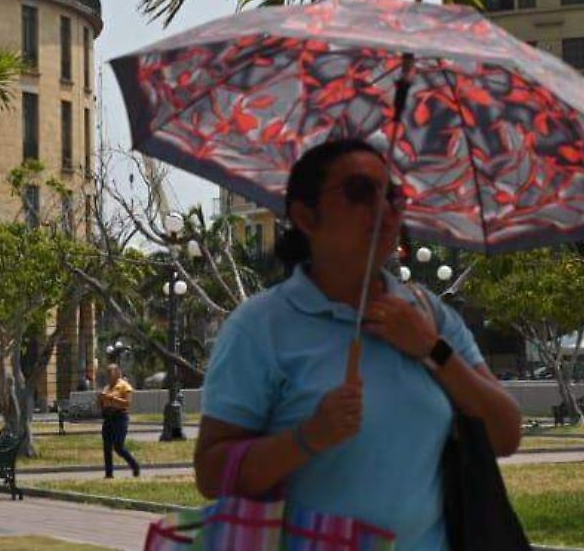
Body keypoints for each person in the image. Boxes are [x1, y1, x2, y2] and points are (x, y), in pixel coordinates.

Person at [194, 138, 525, 551]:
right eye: (359, 192)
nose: (384, 208)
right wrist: (308, 437)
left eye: (393, 195)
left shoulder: (428, 315)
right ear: (306, 216)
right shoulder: (260, 328)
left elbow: (506, 433)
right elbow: (211, 473)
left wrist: (433, 349)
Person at [98, 361, 140, 478]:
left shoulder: (124, 386)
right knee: (107, 446)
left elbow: (127, 403)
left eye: (110, 373)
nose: (107, 376)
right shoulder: (107, 387)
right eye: (106, 373)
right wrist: (101, 400)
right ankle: (109, 474)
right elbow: (102, 402)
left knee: (118, 446)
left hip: (120, 417)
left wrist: (112, 399)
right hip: (108, 418)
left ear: (117, 373)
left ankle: (135, 465)